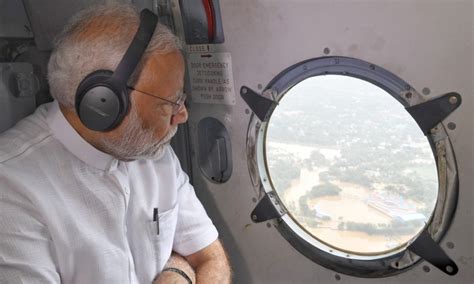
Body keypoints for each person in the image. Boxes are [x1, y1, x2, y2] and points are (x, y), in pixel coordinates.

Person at [0, 3, 231, 283]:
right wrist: (180, 266)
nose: (182, 115)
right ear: (103, 104)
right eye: (171, 102)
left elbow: (209, 256)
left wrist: (176, 271)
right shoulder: (10, 190)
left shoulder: (153, 151)